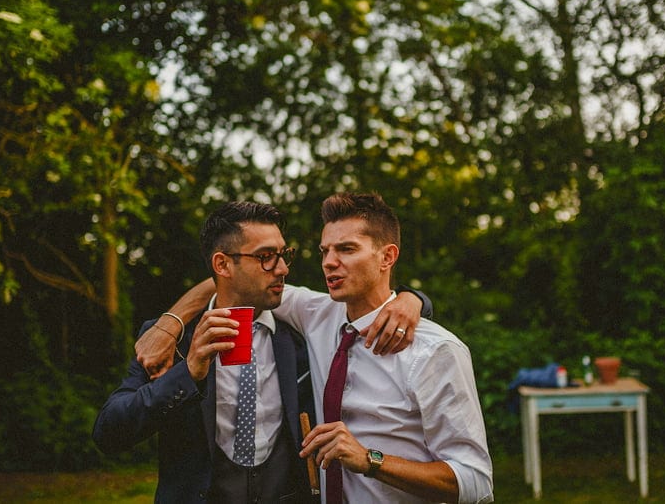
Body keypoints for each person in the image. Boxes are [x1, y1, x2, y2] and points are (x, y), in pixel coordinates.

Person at [139, 193, 494, 503]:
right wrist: (169, 323)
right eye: (325, 250)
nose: (329, 262)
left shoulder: (436, 351)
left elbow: (475, 482)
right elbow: (235, 278)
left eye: (347, 249)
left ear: (387, 257)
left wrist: (370, 459)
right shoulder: (316, 313)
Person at [93, 201, 425, 503]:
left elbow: (372, 302)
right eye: (266, 257)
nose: (282, 268)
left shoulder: (303, 330)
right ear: (222, 264)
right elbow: (110, 434)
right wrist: (189, 371)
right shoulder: (172, 340)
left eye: (284, 255)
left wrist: (413, 299)